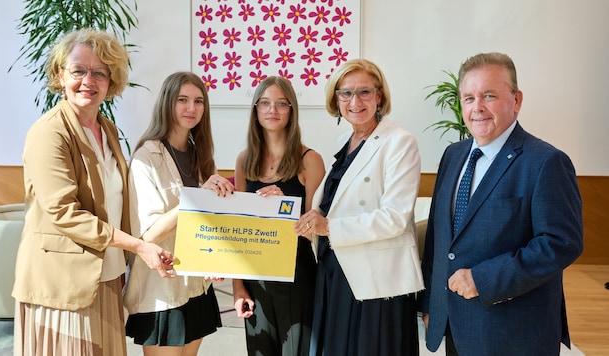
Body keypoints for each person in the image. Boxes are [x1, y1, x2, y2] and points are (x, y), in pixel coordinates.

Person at [12, 28, 175, 356]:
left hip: (106, 275)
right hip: (63, 284)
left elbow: (115, 201)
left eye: (99, 72)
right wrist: (138, 246)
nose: (89, 80)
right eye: (78, 70)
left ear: (111, 81)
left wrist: (127, 259)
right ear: (60, 75)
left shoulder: (107, 130)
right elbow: (64, 213)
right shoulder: (49, 133)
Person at [417, 52, 584, 356]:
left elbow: (562, 243)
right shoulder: (453, 156)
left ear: (516, 100)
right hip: (455, 324)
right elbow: (439, 241)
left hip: (513, 331)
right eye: (468, 97)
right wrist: (431, 304)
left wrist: (483, 279)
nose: (477, 107)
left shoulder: (546, 162)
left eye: (489, 95)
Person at [294, 59, 424, 355]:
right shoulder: (345, 140)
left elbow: (395, 217)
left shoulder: (400, 142)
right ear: (336, 99)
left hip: (375, 280)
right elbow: (337, 203)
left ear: (379, 96)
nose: (355, 101)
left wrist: (328, 227)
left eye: (364, 92)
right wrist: (315, 220)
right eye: (346, 93)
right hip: (335, 270)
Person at [124, 71, 233, 355]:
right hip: (163, 288)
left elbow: (207, 224)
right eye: (182, 100)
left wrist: (216, 258)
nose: (191, 108)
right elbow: (149, 234)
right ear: (167, 104)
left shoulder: (201, 154)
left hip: (197, 286)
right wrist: (197, 199)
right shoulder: (146, 157)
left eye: (198, 101)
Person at [232, 76, 326, 355]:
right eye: (265, 103)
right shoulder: (244, 160)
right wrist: (238, 288)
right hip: (256, 276)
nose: (272, 110)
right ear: (256, 110)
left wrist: (286, 208)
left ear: (291, 110)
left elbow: (315, 231)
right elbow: (239, 230)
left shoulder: (310, 159)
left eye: (281, 104)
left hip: (297, 273)